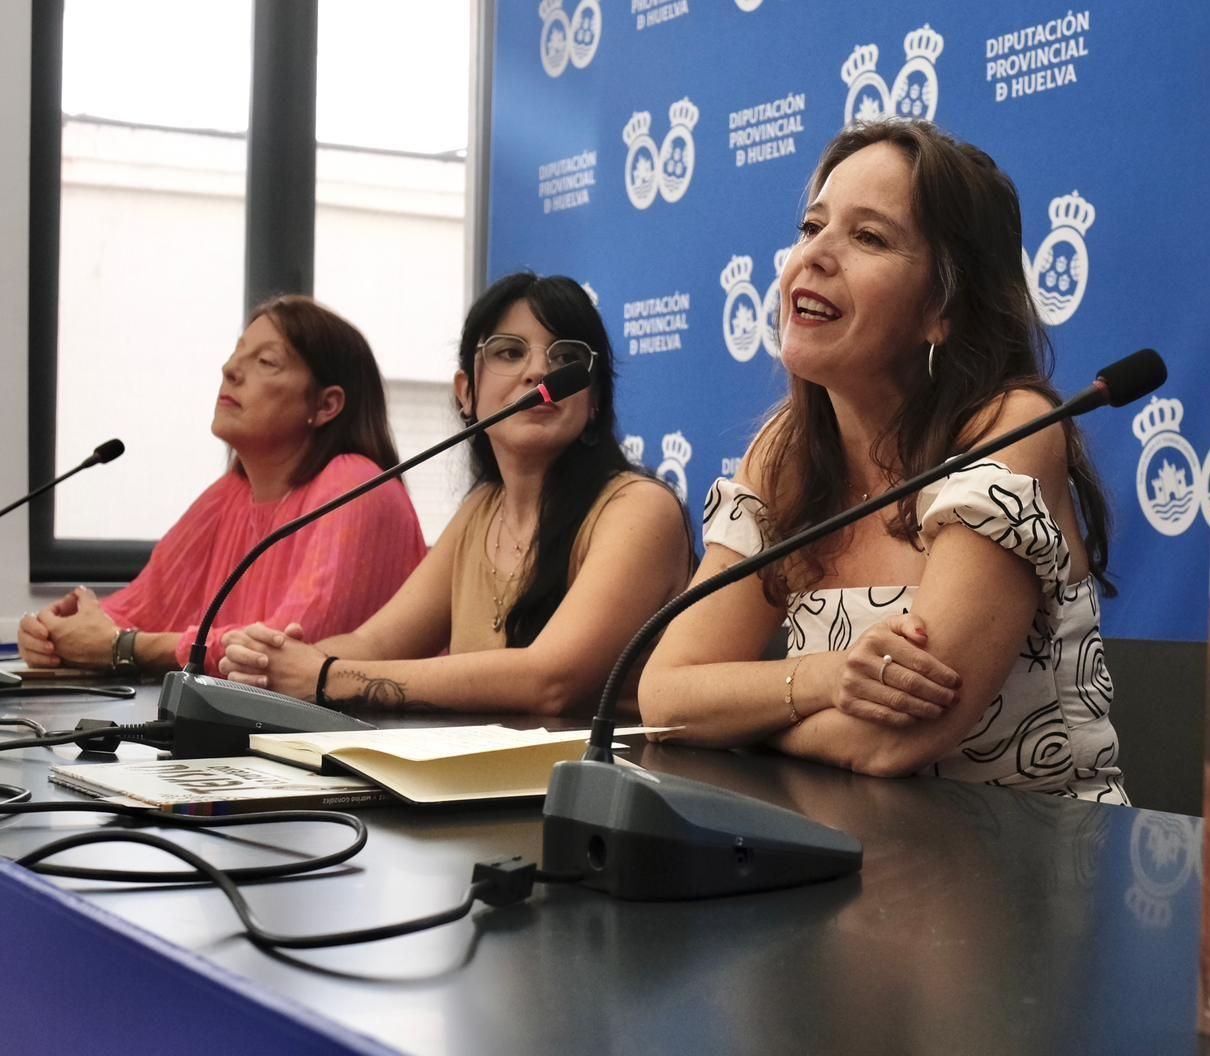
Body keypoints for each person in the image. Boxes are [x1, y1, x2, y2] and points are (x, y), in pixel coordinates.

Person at [639, 119, 1126, 800]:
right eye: (812, 227)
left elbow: (892, 740)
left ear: (942, 309)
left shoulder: (1010, 427)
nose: (814, 256)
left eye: (868, 237)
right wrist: (825, 677)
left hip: (1038, 854)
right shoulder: (783, 455)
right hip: (851, 845)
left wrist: (739, 725)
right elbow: (665, 695)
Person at [218, 272, 693, 713]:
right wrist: (275, 664)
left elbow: (551, 680)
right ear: (466, 392)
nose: (538, 372)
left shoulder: (639, 508)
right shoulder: (482, 511)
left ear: (594, 402)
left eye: (566, 359)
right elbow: (375, 644)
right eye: (509, 353)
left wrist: (324, 677)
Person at [18, 296, 425, 676]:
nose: (230, 369)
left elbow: (278, 653)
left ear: (326, 405)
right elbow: (136, 610)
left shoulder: (356, 485)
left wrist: (122, 646)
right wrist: (57, 631)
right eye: (237, 352)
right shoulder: (230, 495)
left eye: (266, 361)